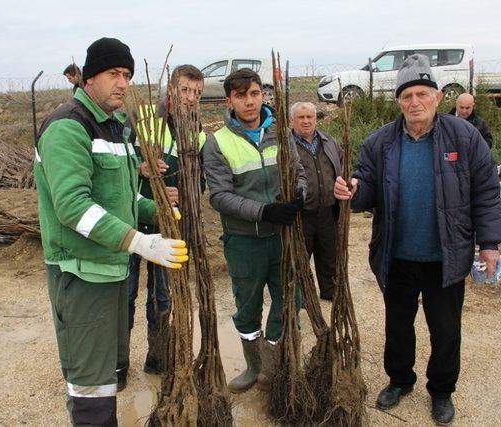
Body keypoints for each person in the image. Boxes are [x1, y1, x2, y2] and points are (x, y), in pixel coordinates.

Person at [334, 54, 501, 425]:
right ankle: (399, 380)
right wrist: (353, 191)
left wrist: (489, 243)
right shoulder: (381, 142)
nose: (415, 102)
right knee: (398, 325)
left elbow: (487, 191)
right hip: (397, 256)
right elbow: (367, 190)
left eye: (422, 94)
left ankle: (441, 390)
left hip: (447, 255)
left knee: (445, 330)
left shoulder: (464, 136)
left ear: (438, 97)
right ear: (398, 101)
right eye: (407, 95)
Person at [34, 37, 188, 426]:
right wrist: (139, 241)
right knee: (92, 386)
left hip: (110, 269)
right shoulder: (68, 127)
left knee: (107, 376)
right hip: (81, 271)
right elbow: (72, 207)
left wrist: (161, 212)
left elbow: (123, 200)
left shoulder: (114, 128)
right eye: (113, 73)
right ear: (89, 78)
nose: (123, 83)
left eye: (128, 75)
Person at [203, 68, 306, 393]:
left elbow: (299, 172)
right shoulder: (218, 142)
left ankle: (272, 360)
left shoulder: (281, 133)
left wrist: (298, 195)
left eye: (254, 93)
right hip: (244, 241)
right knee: (247, 306)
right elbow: (220, 196)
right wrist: (264, 211)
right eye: (241, 95)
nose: (249, 101)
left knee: (291, 297)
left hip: (283, 237)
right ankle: (254, 366)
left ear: (263, 95)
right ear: (230, 100)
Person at [127, 64, 205, 374]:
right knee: (125, 291)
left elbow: (199, 180)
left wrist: (184, 194)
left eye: (197, 93)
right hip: (132, 219)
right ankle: (119, 365)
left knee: (161, 295)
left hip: (168, 224)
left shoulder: (196, 129)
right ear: (171, 90)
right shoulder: (144, 120)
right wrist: (139, 168)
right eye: (185, 90)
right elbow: (115, 160)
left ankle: (156, 359)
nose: (190, 97)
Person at [289, 101, 342, 301]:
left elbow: (341, 167)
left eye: (310, 117)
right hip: (302, 214)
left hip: (328, 211)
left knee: (329, 255)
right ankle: (301, 299)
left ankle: (329, 291)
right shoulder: (286, 146)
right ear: (291, 120)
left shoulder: (329, 142)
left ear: (315, 119)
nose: (306, 121)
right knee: (301, 258)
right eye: (301, 117)